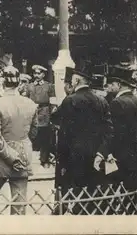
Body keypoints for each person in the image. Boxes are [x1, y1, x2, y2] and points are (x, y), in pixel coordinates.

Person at [51, 66, 114, 214]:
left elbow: (64, 134)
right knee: (91, 197)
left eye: (72, 81)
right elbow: (109, 131)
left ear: (77, 81)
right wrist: (101, 153)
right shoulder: (102, 101)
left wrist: (61, 158)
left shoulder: (70, 100)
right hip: (94, 158)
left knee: (70, 195)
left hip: (74, 158)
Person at [0, 66, 38, 215]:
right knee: (19, 204)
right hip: (22, 156)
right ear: (19, 83)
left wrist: (9, 154)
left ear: (2, 82)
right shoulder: (31, 104)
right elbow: (34, 132)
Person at [107, 66, 137, 194]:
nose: (109, 87)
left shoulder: (117, 102)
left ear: (118, 85)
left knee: (122, 189)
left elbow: (115, 132)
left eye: (111, 84)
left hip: (123, 155)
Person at [24, 65, 56, 168]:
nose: (36, 75)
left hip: (45, 113)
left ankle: (44, 159)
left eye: (39, 73)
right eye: (35, 73)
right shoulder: (29, 86)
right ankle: (28, 160)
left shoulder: (49, 86)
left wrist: (52, 116)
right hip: (32, 113)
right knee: (30, 136)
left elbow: (53, 103)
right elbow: (25, 101)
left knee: (45, 138)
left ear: (43, 74)